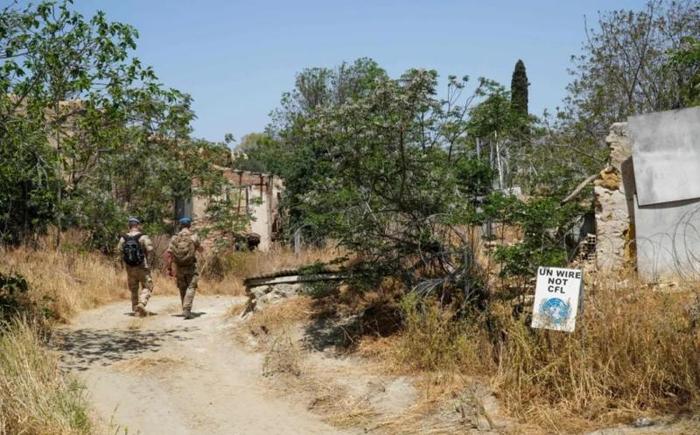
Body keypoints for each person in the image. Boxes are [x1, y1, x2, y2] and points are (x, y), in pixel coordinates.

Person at [117, 217, 154, 317]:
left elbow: (119, 251)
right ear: (137, 225)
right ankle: (141, 304)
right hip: (142, 266)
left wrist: (122, 263)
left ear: (129, 226)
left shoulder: (123, 238)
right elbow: (150, 249)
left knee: (133, 289)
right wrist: (149, 262)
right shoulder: (143, 237)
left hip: (130, 267)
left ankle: (135, 310)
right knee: (148, 286)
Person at [166, 217, 202, 319]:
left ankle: (184, 308)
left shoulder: (174, 238)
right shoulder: (194, 237)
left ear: (180, 225)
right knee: (191, 287)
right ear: (189, 225)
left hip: (179, 267)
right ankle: (186, 309)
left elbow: (169, 254)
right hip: (191, 267)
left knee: (182, 288)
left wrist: (169, 268)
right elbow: (201, 250)